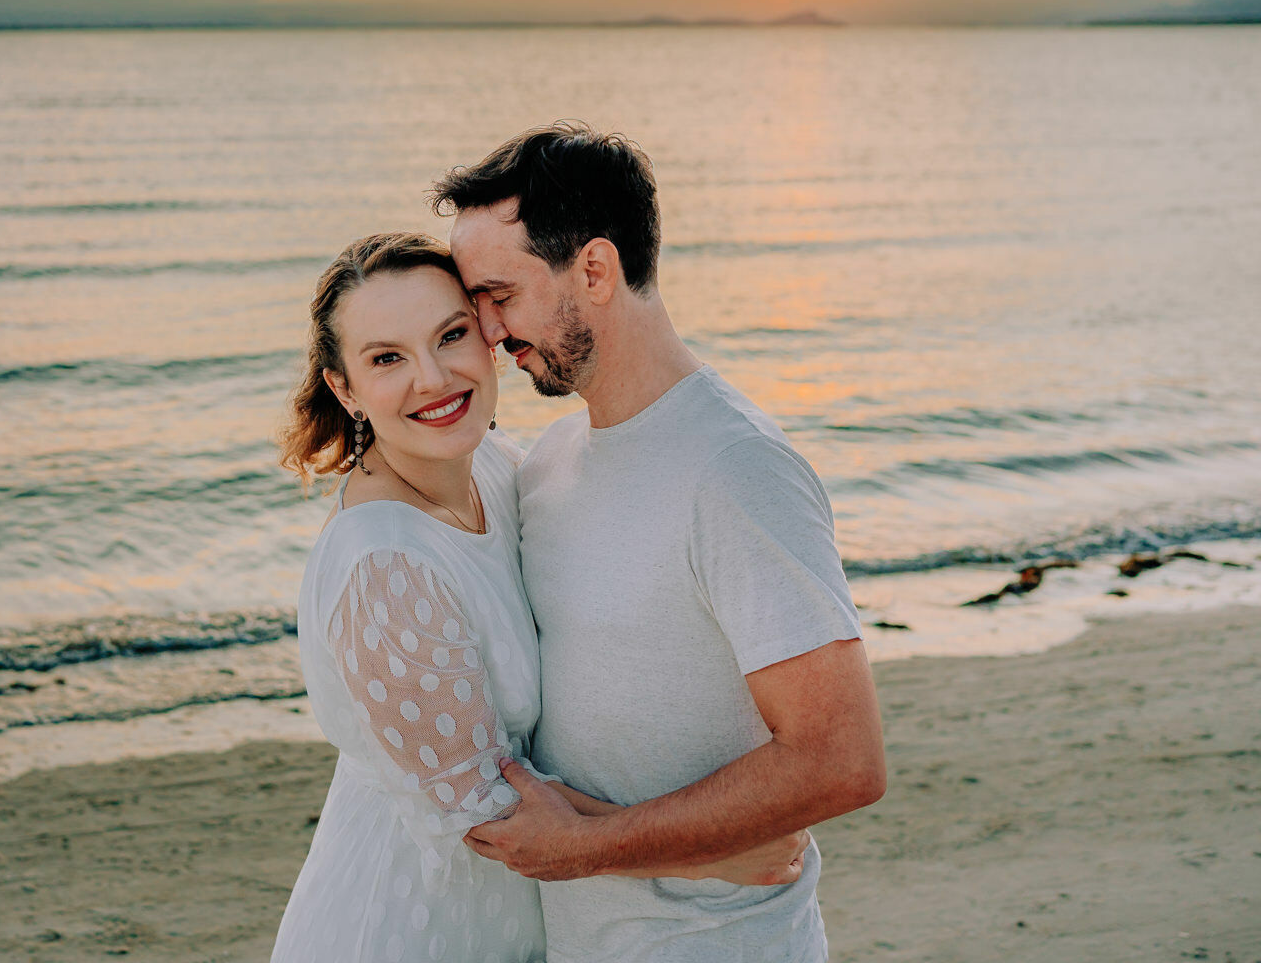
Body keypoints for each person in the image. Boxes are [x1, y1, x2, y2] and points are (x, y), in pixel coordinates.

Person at [269, 232, 812, 963]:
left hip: (520, 922)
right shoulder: (384, 565)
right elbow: (485, 810)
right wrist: (712, 852)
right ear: (345, 389)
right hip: (412, 926)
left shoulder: (495, 467)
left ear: (489, 336)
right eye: (387, 359)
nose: (432, 378)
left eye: (450, 336)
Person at [439, 123, 887, 962]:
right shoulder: (549, 462)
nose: (489, 331)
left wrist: (585, 848)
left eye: (500, 295)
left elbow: (840, 759)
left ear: (595, 271)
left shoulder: (735, 469)